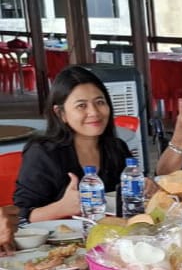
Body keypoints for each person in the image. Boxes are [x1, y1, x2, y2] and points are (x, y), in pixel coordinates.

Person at [14, 66, 132, 224]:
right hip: (59, 238)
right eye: (81, 106)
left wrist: (144, 188)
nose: (94, 112)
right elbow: (18, 218)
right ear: (60, 113)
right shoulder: (43, 153)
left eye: (100, 102)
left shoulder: (117, 148)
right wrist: (61, 208)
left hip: (110, 235)